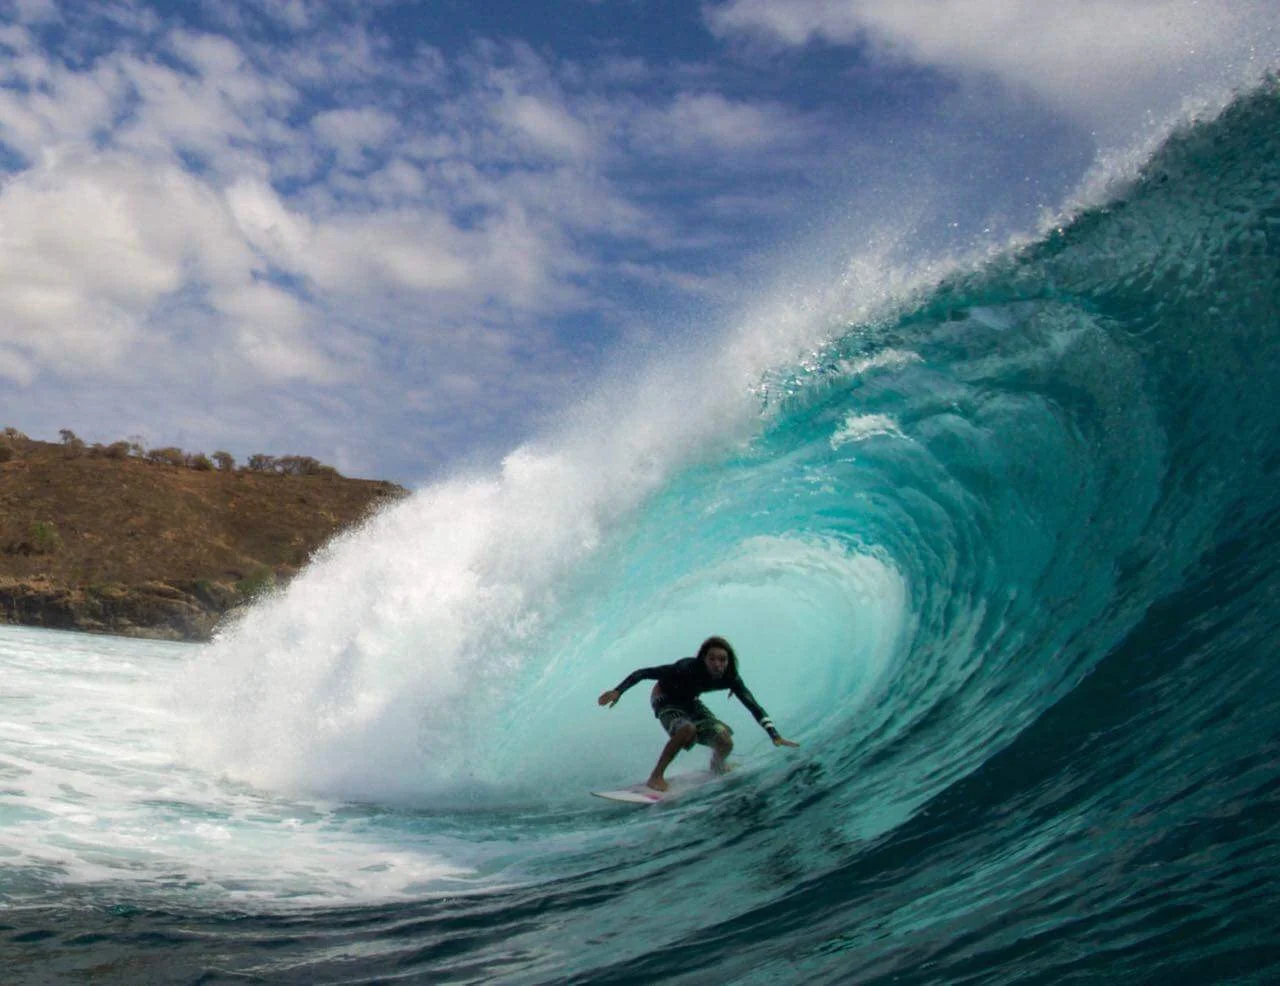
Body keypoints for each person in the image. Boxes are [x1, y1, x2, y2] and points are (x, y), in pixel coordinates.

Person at [598, 635, 798, 791]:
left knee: (725, 739)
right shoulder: (685, 668)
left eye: (722, 660)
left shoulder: (730, 678)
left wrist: (775, 735)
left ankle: (717, 766)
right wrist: (618, 691)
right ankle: (656, 776)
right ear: (703, 659)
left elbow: (752, 705)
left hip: (691, 703)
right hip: (665, 700)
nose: (717, 664)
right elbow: (642, 673)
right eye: (712, 659)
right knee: (687, 729)